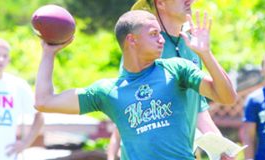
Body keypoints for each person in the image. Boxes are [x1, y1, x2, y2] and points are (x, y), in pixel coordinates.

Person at [34, 10, 237, 160]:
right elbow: (44, 101)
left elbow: (227, 97)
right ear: (132, 40)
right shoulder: (108, 92)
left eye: (160, 34)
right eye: (153, 34)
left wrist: (206, 55)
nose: (161, 40)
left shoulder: (177, 70)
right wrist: (48, 53)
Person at [108, 0, 230, 159]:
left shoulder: (192, 43)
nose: (191, 1)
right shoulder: (144, 45)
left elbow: (197, 104)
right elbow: (128, 105)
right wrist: (113, 152)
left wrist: (220, 145)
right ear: (160, 4)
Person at [0, 38, 44, 160]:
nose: (1, 59)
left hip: (6, 156)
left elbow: (39, 115)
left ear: (9, 60)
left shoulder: (18, 85)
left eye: (4, 56)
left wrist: (25, 143)